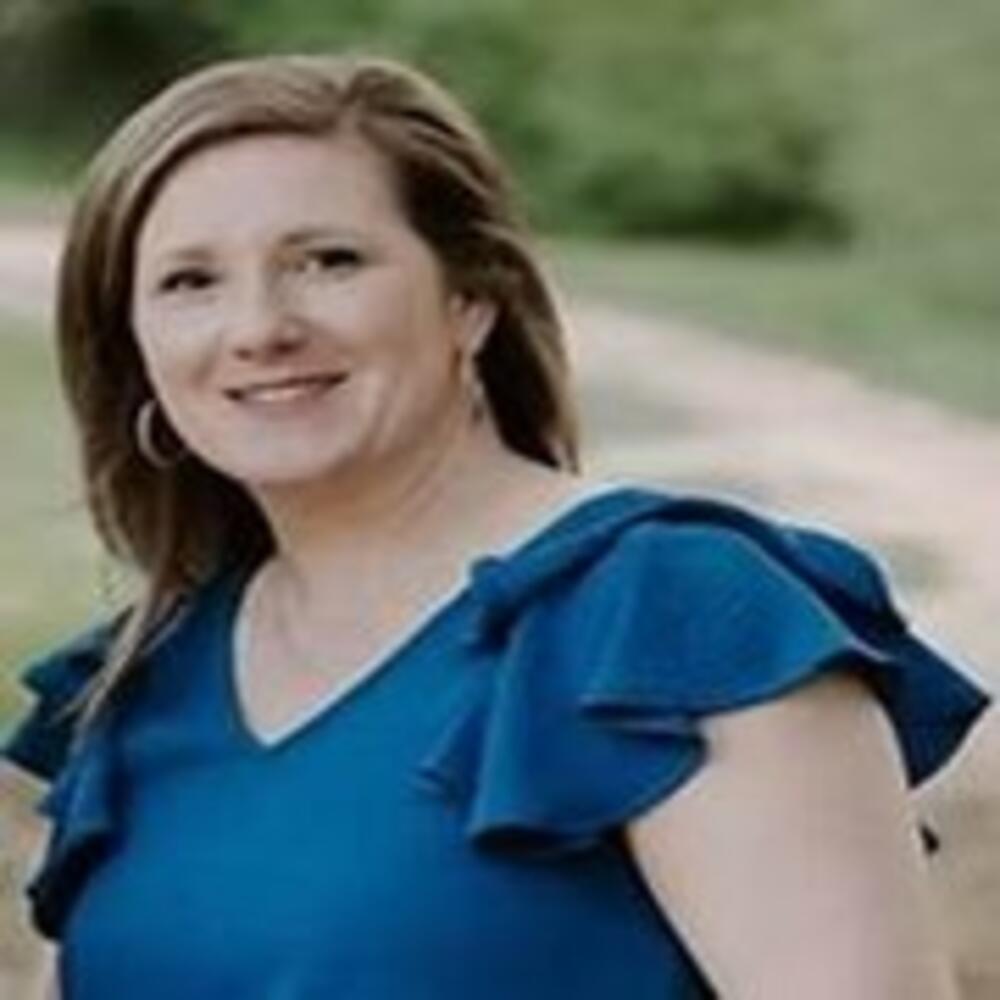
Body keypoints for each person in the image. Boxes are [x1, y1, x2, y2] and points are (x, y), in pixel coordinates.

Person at [2, 53, 990, 999]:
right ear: (136, 344)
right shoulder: (138, 684)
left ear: (471, 299)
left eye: (329, 261)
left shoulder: (676, 622)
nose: (260, 327)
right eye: (189, 282)